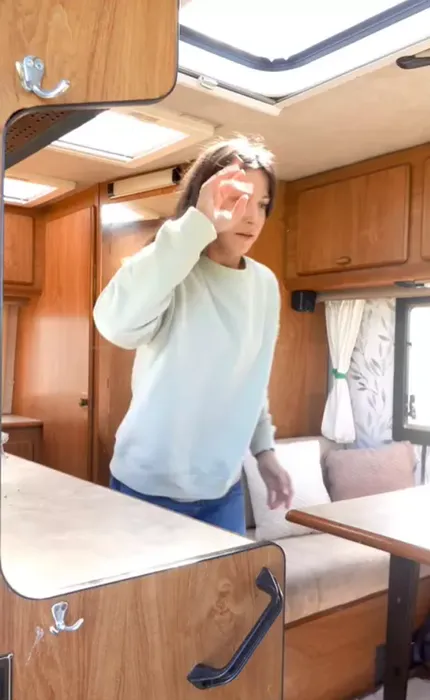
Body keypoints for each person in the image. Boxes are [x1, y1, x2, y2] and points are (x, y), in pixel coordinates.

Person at [93, 135, 293, 536]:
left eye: (262, 204)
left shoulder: (265, 285)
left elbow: (252, 379)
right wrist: (197, 226)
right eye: (237, 199)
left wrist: (264, 450)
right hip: (146, 489)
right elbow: (115, 324)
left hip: (223, 491)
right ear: (203, 198)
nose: (252, 217)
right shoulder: (170, 268)